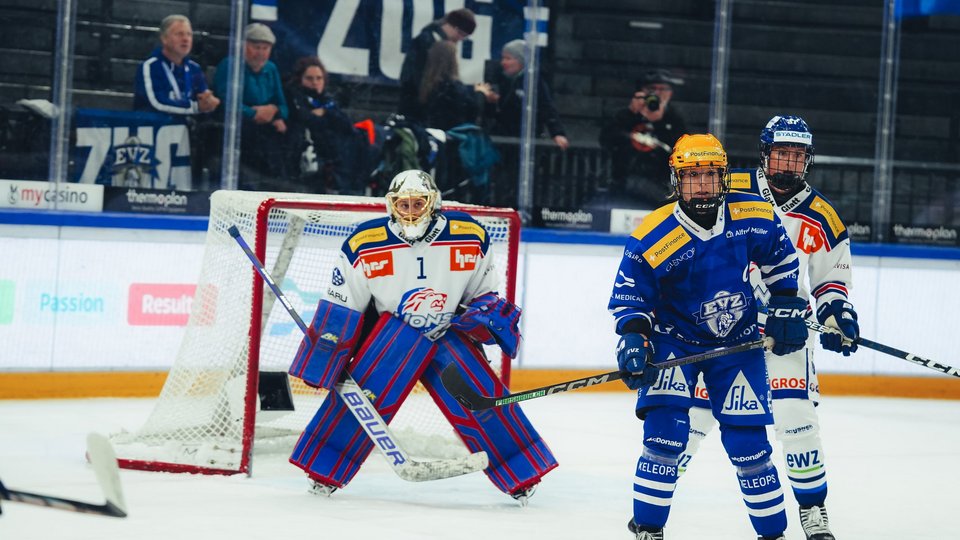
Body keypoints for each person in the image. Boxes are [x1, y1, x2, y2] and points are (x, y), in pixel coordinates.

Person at [287, 169, 558, 504]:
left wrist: (484, 317)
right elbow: (344, 306)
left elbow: (483, 295)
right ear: (391, 205)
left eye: (419, 203)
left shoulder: (470, 234)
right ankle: (322, 471)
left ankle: (521, 474)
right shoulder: (364, 242)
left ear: (434, 202)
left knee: (481, 403)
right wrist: (325, 357)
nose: (411, 211)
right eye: (403, 204)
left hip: (447, 334)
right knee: (360, 403)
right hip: (392, 337)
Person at [609, 133, 809, 540]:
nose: (701, 186)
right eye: (691, 176)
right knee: (663, 438)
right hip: (673, 343)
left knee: (749, 447)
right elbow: (631, 299)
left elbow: (782, 259)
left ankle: (773, 534)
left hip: (737, 345)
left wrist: (787, 303)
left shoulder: (753, 212)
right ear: (676, 180)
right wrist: (634, 338)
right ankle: (648, 529)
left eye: (709, 176)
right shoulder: (653, 233)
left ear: (724, 177)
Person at [678, 116, 857, 540]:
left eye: (797, 155)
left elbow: (830, 281)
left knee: (797, 420)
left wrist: (836, 317)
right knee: (692, 419)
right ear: (765, 153)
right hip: (721, 330)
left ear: (807, 159)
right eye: (782, 153)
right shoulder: (727, 188)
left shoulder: (822, 218)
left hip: (786, 337)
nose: (789, 162)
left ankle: (814, 510)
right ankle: (657, 497)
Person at [213, 23, 289, 190]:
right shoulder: (230, 65)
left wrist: (274, 112)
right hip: (240, 127)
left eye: (265, 48)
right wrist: (252, 113)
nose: (261, 53)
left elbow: (283, 106)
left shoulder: (271, 69)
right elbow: (226, 101)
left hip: (265, 128)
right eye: (256, 47)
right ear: (243, 45)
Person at [598, 69, 686, 206]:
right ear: (641, 91)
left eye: (662, 89)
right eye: (651, 89)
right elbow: (606, 140)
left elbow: (681, 150)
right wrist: (631, 114)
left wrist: (659, 123)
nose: (656, 93)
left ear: (670, 94)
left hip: (660, 186)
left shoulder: (674, 119)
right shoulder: (625, 114)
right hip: (623, 183)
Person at [284, 56, 369, 194]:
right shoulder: (294, 97)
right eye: (309, 78)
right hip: (309, 162)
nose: (315, 83)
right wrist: (326, 118)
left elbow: (346, 125)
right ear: (300, 79)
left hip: (338, 163)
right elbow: (307, 119)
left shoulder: (327, 100)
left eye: (319, 78)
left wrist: (325, 112)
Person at [483, 39, 569, 151]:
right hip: (500, 140)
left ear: (521, 61)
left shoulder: (535, 82)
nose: (503, 62)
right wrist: (491, 103)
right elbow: (490, 115)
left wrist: (557, 133)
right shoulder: (499, 79)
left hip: (525, 141)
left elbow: (547, 108)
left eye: (508, 58)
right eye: (503, 58)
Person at [397, 8, 477, 122]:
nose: (459, 40)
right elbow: (413, 76)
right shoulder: (428, 42)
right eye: (461, 35)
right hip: (420, 106)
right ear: (455, 28)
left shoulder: (427, 39)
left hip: (418, 104)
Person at [134, 14, 220, 115]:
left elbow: (203, 97)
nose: (186, 39)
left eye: (189, 34)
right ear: (164, 39)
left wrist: (210, 101)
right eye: (179, 34)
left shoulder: (194, 68)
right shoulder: (151, 66)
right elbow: (157, 103)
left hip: (184, 129)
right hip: (154, 128)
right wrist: (194, 107)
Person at [419, 41, 493, 131]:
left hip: (434, 133)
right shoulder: (452, 86)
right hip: (453, 135)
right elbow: (471, 111)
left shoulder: (428, 84)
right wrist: (480, 93)